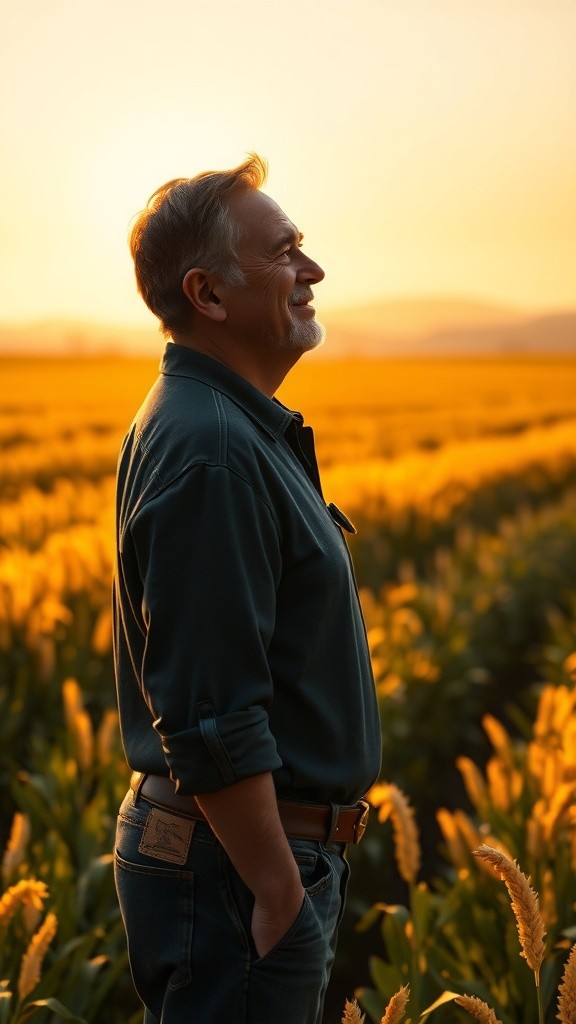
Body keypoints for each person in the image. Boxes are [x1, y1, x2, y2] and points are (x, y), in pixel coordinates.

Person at [112, 153, 382, 1024]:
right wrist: (277, 894)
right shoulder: (214, 451)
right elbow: (208, 712)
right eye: (284, 251)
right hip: (236, 876)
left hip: (236, 869)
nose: (313, 271)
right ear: (209, 294)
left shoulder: (222, 426)